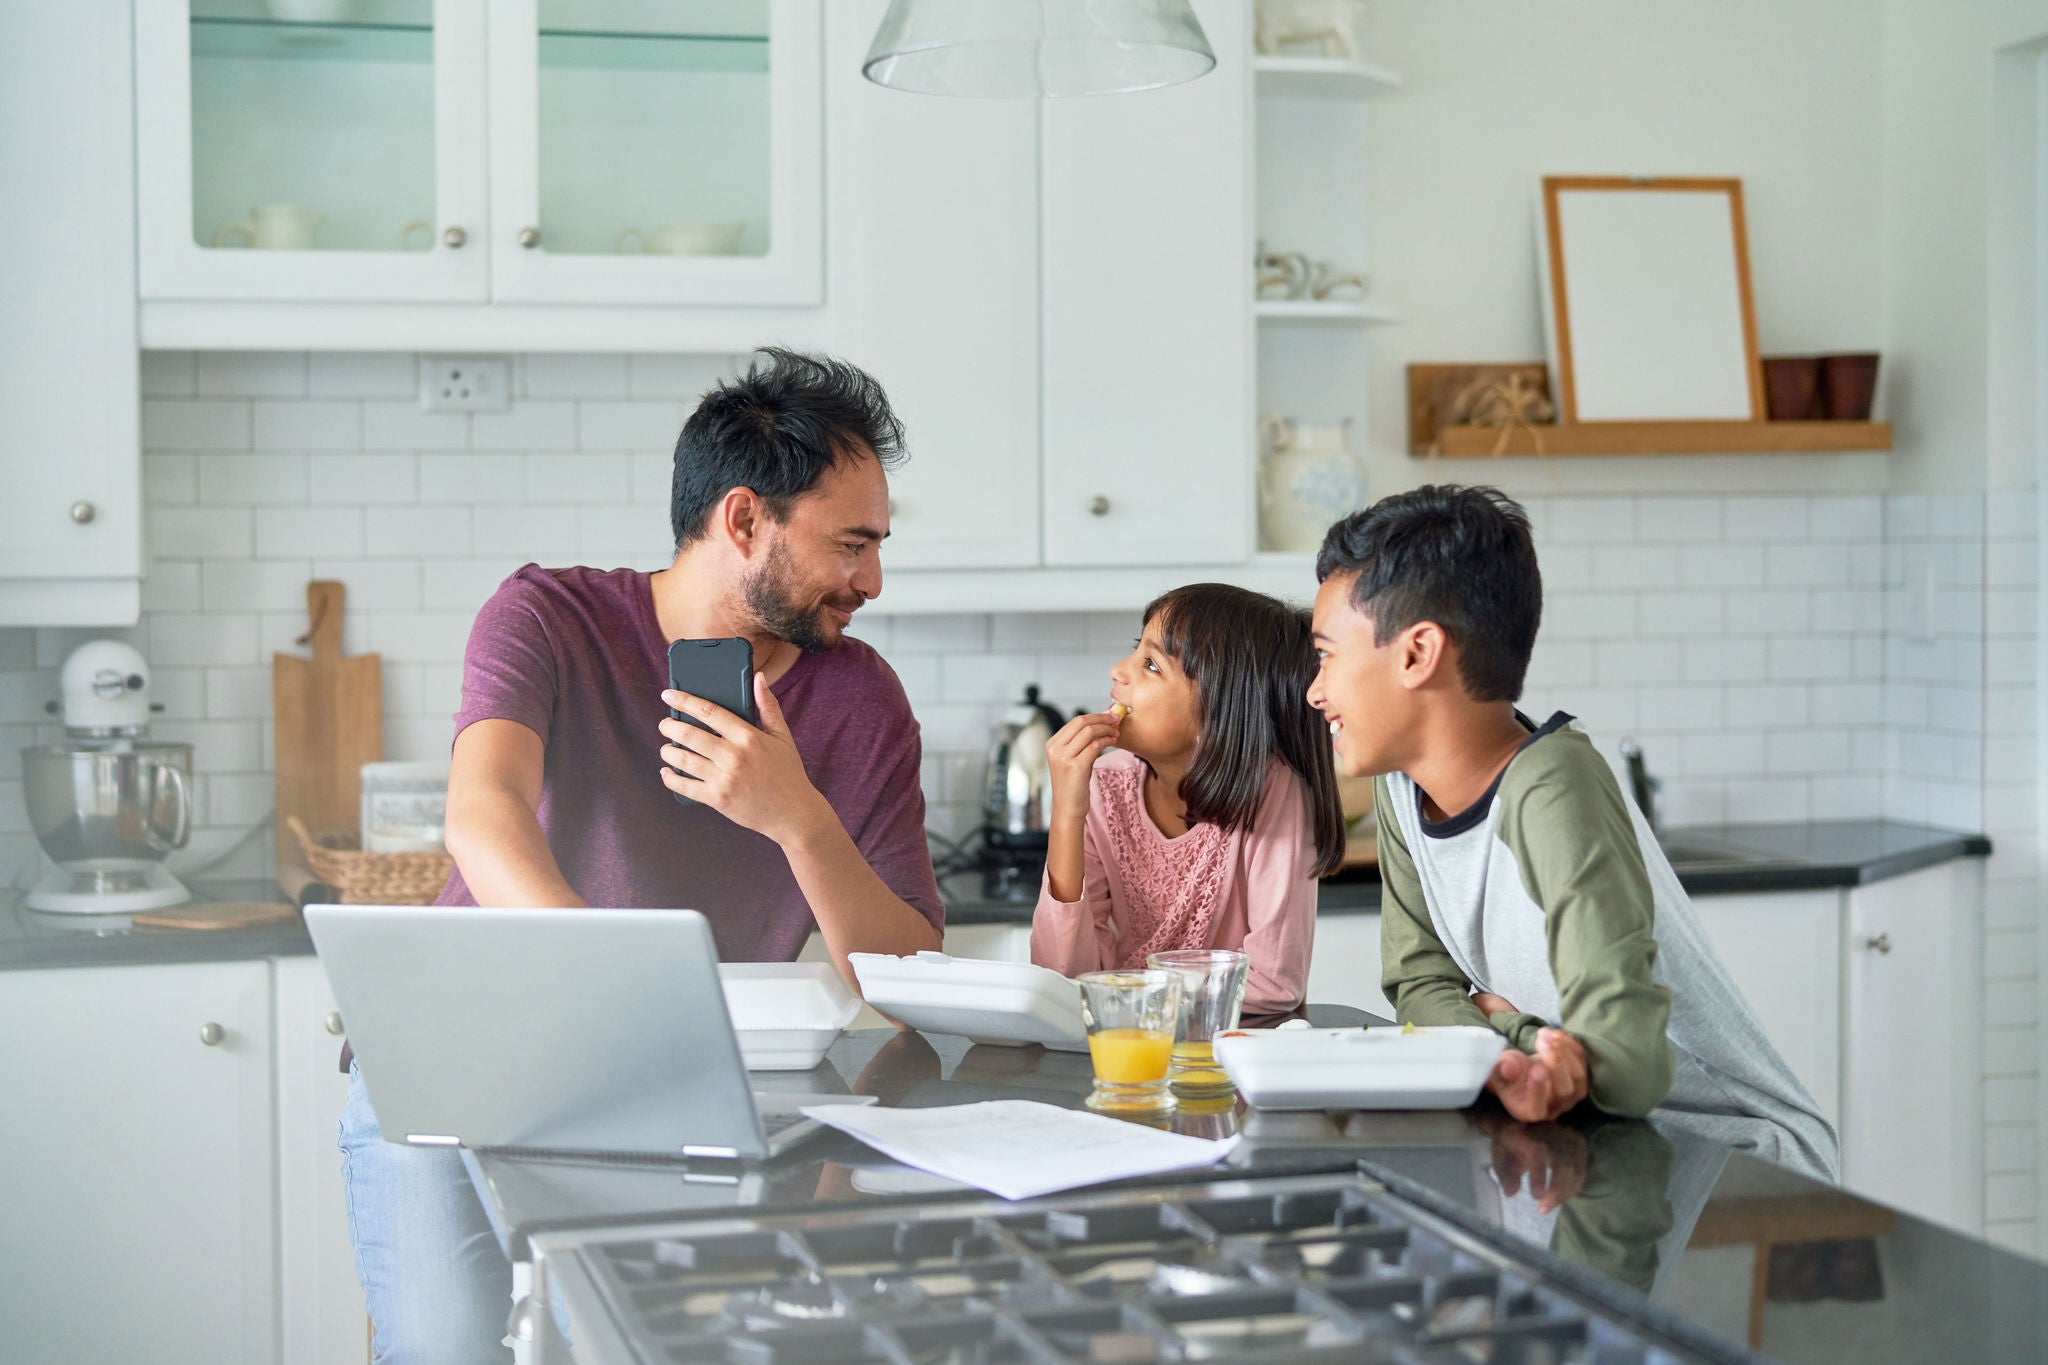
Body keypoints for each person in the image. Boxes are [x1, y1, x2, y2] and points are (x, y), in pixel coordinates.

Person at [337, 348, 947, 1364]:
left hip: (659, 1092)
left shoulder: (859, 698)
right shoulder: (549, 616)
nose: (871, 580)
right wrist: (609, 983)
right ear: (743, 519)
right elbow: (482, 815)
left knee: (630, 1348)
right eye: (850, 544)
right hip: (448, 1063)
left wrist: (797, 818)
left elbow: (907, 978)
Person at [1305, 484, 1837, 1178]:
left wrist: (1506, 1036)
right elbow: (1416, 981)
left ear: (1417, 653)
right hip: (1586, 1138)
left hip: (1732, 1154)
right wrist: (1505, 1044)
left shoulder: (1553, 783)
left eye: (1327, 656)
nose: (1316, 690)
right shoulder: (1402, 784)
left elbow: (1629, 1062)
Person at [1030, 583, 1345, 1015]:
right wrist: (1066, 812)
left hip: (1233, 1056)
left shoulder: (1274, 794)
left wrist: (1126, 994)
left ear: (1218, 711)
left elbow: (1274, 983)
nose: (1117, 670)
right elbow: (1063, 977)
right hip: (1127, 1053)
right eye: (1135, 650)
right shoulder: (1103, 784)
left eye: (1152, 665)